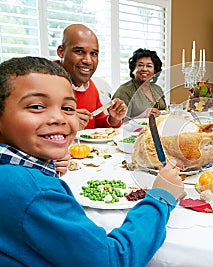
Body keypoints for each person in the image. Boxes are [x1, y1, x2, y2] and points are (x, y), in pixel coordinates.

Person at [0, 56, 184, 266]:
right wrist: (161, 197)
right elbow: (112, 259)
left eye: (68, 108)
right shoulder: (33, 192)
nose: (59, 118)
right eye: (36, 106)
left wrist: (46, 167)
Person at [56, 24, 127, 130]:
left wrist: (113, 119)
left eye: (93, 53)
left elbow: (97, 124)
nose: (88, 61)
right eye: (79, 51)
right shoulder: (45, 84)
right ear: (61, 52)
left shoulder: (90, 86)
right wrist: (66, 124)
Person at [112, 48, 166, 119]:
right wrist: (143, 116)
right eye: (140, 65)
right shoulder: (124, 91)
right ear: (133, 69)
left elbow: (164, 112)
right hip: (134, 130)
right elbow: (117, 122)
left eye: (149, 66)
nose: (144, 69)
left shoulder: (157, 89)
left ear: (155, 71)